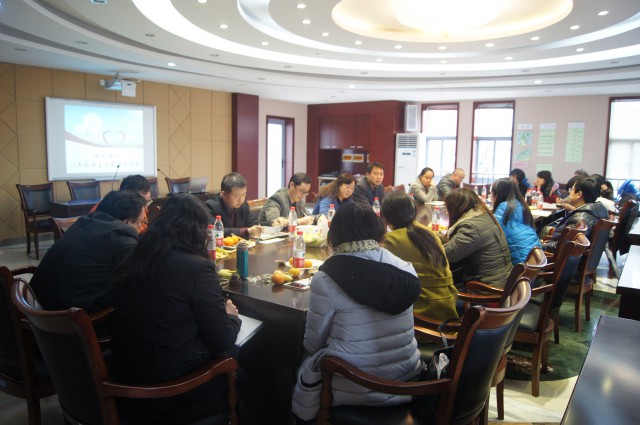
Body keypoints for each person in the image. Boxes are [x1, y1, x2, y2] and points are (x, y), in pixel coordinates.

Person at [110, 193, 250, 425]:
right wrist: (231, 316)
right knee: (241, 367)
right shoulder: (197, 267)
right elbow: (222, 340)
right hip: (173, 393)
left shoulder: (136, 256)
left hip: (126, 383)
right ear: (198, 230)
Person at [291, 203, 423, 421]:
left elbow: (313, 343)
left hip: (355, 384)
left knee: (302, 362)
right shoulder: (404, 267)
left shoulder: (327, 277)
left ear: (335, 235)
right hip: (406, 378)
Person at [30, 190, 146, 314]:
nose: (141, 227)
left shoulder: (85, 221)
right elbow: (143, 278)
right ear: (127, 221)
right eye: (141, 222)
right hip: (72, 316)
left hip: (41, 304)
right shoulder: (121, 236)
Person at [381, 191, 458, 321]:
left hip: (423, 312)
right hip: (448, 306)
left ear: (386, 217)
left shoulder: (392, 240)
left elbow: (383, 280)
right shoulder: (428, 232)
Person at [443, 188, 512, 288]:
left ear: (455, 208)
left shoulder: (471, 228)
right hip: (500, 279)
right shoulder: (483, 217)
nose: (446, 212)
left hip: (486, 288)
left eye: (446, 208)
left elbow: (447, 255)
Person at [542, 176, 608, 252]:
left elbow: (561, 246)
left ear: (579, 194)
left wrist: (539, 246)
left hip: (555, 256)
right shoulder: (597, 211)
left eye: (572, 190)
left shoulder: (579, 220)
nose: (570, 192)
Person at [491, 178, 541, 265]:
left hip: (520, 267)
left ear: (496, 195)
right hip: (535, 263)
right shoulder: (521, 206)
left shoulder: (503, 210)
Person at [205, 172, 261, 238]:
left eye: (243, 194)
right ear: (223, 194)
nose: (241, 200)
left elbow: (252, 222)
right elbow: (215, 231)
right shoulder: (210, 206)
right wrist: (244, 231)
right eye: (237, 196)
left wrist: (258, 227)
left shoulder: (243, 205)